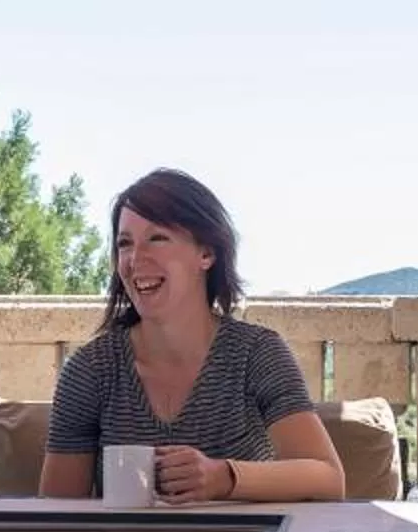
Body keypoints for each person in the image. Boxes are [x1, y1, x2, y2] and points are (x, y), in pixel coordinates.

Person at [40, 168, 344, 504]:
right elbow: (57, 514)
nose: (135, 259)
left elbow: (328, 478)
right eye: (125, 243)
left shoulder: (256, 354)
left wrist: (226, 477)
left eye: (157, 238)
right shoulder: (90, 370)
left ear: (206, 253)